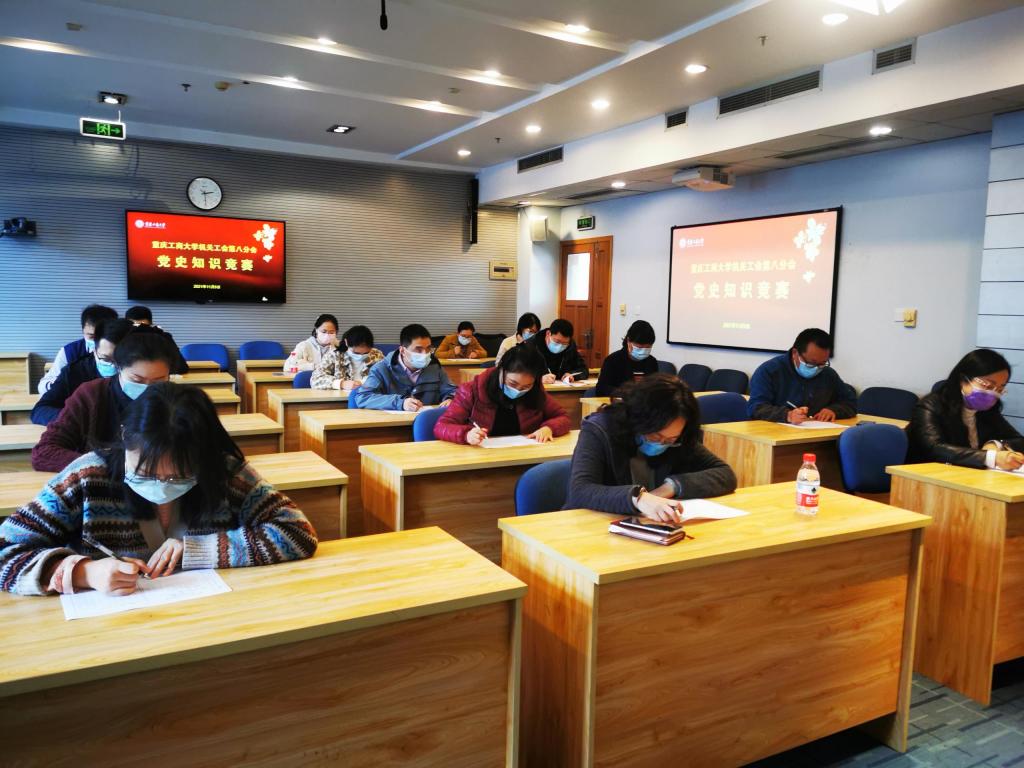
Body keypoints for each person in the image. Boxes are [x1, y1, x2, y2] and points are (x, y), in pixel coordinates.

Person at [0, 383, 317, 596]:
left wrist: (200, 549)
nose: (161, 485)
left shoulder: (224, 472)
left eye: (179, 476)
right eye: (145, 473)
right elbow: (5, 550)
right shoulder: (86, 477)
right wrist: (85, 573)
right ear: (125, 438)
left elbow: (297, 532)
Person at [565, 374, 737, 522]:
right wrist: (638, 498)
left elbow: (725, 473)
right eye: (655, 437)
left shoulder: (679, 435)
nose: (662, 443)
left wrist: (671, 487)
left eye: (671, 439)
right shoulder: (600, 429)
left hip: (648, 526)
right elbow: (580, 490)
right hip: (592, 525)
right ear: (639, 420)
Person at [31, 326, 179, 472]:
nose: (147, 388)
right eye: (137, 380)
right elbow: (44, 452)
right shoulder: (91, 395)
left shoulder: (177, 400)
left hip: (161, 481)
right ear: (118, 368)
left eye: (158, 382)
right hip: (101, 479)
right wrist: (108, 464)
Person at [908, 349, 1024, 470]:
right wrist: (990, 457)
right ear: (963, 380)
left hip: (968, 473)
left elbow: (1019, 440)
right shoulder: (929, 406)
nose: (993, 393)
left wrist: (996, 444)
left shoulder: (987, 410)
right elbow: (935, 449)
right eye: (988, 386)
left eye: (999, 389)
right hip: (924, 474)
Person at [434, 344, 570, 445]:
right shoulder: (472, 390)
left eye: (526, 386)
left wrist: (549, 428)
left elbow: (563, 417)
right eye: (512, 383)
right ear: (501, 370)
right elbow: (442, 427)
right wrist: (466, 434)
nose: (518, 390)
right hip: (481, 458)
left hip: (524, 455)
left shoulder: (536, 391)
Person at [31, 318, 135, 426]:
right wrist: (74, 418)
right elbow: (40, 410)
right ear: (94, 350)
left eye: (121, 360)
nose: (113, 365)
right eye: (106, 359)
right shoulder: (75, 371)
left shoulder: (141, 375)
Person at [747, 328, 856, 423]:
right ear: (795, 353)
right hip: (775, 434)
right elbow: (756, 407)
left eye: (822, 363)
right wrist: (787, 415)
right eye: (811, 363)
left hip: (817, 433)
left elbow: (851, 402)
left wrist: (834, 410)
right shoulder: (769, 371)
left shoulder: (828, 374)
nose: (816, 368)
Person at [352, 323, 457, 412]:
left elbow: (452, 391)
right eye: (418, 349)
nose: (425, 354)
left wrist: (451, 399)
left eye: (428, 348)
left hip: (427, 423)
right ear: (402, 350)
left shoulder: (434, 366)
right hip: (393, 425)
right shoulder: (381, 368)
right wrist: (401, 403)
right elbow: (363, 397)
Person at [38, 304, 118, 393]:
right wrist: (61, 385)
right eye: (91, 336)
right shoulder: (69, 352)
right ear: (83, 330)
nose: (97, 342)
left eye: (102, 336)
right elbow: (43, 386)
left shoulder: (123, 350)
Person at [596, 320, 659, 396]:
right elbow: (601, 388)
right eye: (639, 348)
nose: (642, 351)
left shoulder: (652, 362)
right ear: (629, 341)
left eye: (647, 348)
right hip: (620, 401)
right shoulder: (613, 360)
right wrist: (625, 393)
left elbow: (655, 388)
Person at [311, 325, 385, 390]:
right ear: (346, 342)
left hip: (370, 396)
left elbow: (387, 377)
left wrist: (366, 382)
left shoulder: (376, 355)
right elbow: (315, 379)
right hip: (341, 398)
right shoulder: (334, 356)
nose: (360, 356)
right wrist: (341, 384)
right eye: (356, 353)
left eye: (366, 353)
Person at [124, 305, 189, 374]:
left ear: (151, 325)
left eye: (143, 327)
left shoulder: (163, 337)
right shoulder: (122, 338)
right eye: (135, 327)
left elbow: (181, 367)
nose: (139, 332)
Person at [526, 318, 589, 384]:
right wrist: (538, 379)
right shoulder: (531, 346)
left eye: (564, 343)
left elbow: (583, 370)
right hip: (538, 388)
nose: (560, 346)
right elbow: (519, 373)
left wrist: (572, 375)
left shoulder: (570, 346)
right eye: (557, 341)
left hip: (561, 387)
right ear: (548, 334)